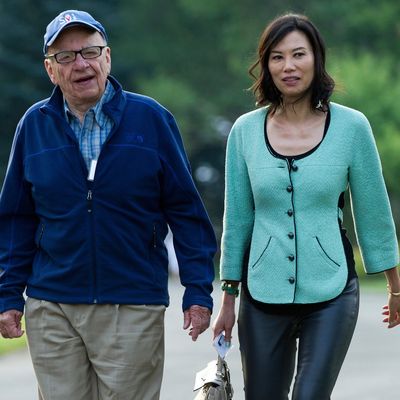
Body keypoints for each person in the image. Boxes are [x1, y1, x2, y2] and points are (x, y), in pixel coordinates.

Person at [0, 9, 217, 400]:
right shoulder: (33, 125)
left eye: (89, 51)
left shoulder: (150, 119)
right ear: (51, 71)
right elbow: (16, 218)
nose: (80, 64)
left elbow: (186, 212)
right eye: (65, 57)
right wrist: (8, 294)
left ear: (107, 57)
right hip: (53, 305)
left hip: (132, 302)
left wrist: (198, 290)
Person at [212, 13, 400, 400]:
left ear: (317, 58)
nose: (289, 66)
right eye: (277, 57)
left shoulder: (352, 127)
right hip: (261, 295)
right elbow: (238, 221)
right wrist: (227, 300)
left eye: (299, 54)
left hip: (332, 291)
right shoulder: (244, 132)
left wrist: (395, 287)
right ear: (265, 65)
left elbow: (373, 212)